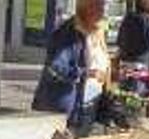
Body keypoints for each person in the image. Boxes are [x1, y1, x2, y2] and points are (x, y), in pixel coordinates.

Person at [32, 0, 106, 128]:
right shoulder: (68, 33)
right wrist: (87, 73)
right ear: (86, 7)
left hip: (81, 105)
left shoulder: (93, 31)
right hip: (58, 108)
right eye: (98, 6)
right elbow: (55, 70)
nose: (102, 12)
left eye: (103, 6)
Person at [117, 0, 149, 92]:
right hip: (140, 62)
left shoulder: (127, 17)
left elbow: (119, 40)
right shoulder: (148, 19)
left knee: (123, 93)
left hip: (125, 60)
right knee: (136, 96)